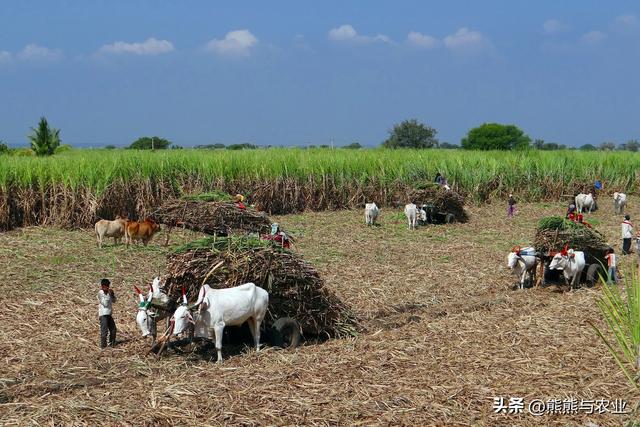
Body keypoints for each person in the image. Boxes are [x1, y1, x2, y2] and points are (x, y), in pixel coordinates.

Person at [98, 278, 117, 349]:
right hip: (103, 315)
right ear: (102, 286)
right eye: (106, 286)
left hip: (109, 314)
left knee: (113, 329)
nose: (107, 288)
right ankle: (103, 346)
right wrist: (108, 294)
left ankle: (112, 344)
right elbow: (105, 304)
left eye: (108, 286)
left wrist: (112, 295)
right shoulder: (100, 293)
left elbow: (114, 301)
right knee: (104, 331)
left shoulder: (109, 293)